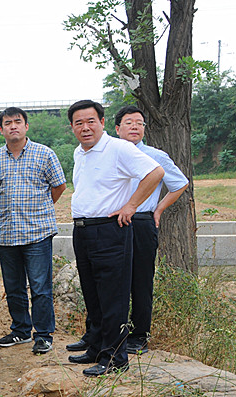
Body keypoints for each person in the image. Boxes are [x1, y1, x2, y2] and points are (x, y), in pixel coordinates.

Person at [66, 106, 189, 355]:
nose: (134, 127)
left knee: (133, 283)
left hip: (131, 222)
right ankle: (96, 341)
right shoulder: (82, 152)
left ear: (101, 123)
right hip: (90, 227)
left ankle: (131, 340)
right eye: (129, 122)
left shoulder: (129, 151)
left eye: (139, 122)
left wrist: (142, 207)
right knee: (95, 288)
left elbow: (166, 178)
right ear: (117, 127)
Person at [0, 107, 67, 355]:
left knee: (40, 287)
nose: (13, 126)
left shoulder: (44, 154)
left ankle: (43, 335)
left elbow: (58, 186)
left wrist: (40, 209)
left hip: (37, 233)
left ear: (26, 126)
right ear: (1, 129)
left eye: (17, 122)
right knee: (13, 287)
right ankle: (21, 330)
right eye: (7, 123)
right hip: (6, 233)